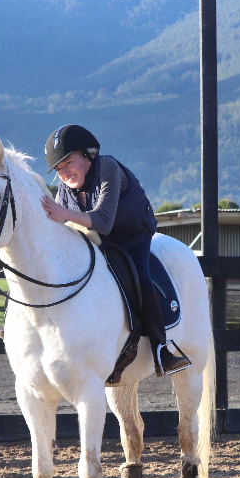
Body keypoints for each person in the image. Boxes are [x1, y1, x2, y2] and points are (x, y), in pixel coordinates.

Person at [41, 124, 191, 377]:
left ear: (88, 156)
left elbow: (103, 220)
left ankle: (162, 349)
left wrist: (62, 214)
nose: (64, 173)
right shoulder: (66, 187)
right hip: (99, 237)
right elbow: (61, 225)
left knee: (141, 278)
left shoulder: (108, 167)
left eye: (69, 163)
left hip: (133, 235)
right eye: (59, 169)